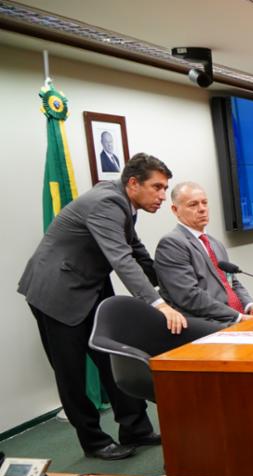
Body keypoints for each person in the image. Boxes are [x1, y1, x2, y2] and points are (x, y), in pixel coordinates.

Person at [18, 153, 188, 460]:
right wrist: (158, 304)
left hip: (89, 283)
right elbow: (120, 259)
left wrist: (172, 285)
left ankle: (135, 428)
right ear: (133, 183)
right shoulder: (106, 204)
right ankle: (93, 441)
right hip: (55, 291)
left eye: (165, 188)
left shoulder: (125, 203)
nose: (163, 196)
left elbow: (136, 252)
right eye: (158, 187)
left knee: (114, 355)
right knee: (71, 373)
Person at [154, 182, 253, 326]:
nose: (202, 209)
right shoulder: (171, 244)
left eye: (204, 203)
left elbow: (232, 282)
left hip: (234, 317)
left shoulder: (215, 243)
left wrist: (250, 307)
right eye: (193, 205)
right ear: (175, 210)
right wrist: (238, 317)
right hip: (206, 322)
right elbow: (189, 297)